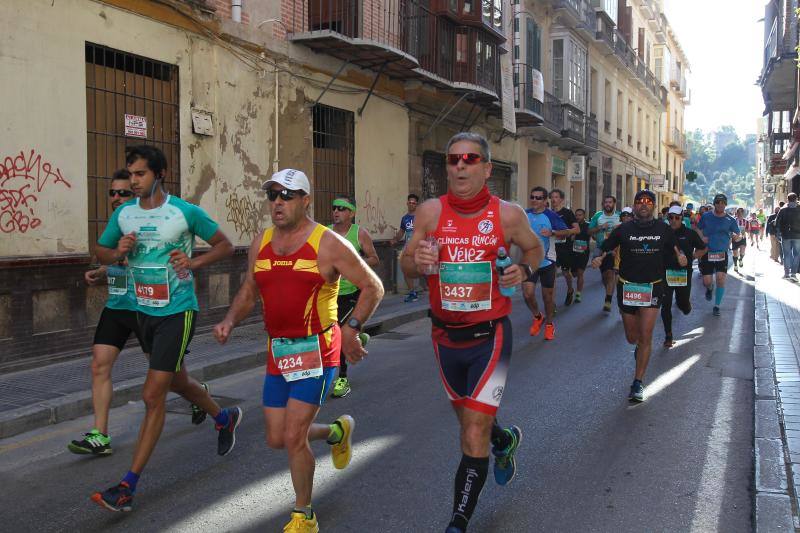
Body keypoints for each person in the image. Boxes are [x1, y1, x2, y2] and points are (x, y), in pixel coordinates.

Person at [213, 169, 384, 532]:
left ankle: (303, 514)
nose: (277, 201)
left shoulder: (328, 243)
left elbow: (373, 287)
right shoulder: (261, 241)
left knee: (293, 435)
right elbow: (249, 289)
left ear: (306, 201)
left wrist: (351, 329)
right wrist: (230, 318)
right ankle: (336, 432)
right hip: (278, 351)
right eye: (272, 194)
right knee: (277, 437)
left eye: (287, 195)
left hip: (317, 351)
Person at [401, 132, 543, 533]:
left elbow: (535, 249)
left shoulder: (508, 215)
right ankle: (504, 441)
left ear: (486, 168)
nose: (460, 165)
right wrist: (418, 260)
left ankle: (458, 521)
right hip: (445, 338)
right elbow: (406, 265)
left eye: (469, 158)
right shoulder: (430, 213)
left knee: (473, 429)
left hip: (490, 336)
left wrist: (525, 270)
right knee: (469, 422)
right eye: (453, 159)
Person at [91, 145, 239, 512]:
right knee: (177, 382)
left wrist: (194, 261)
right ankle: (224, 417)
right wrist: (117, 251)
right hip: (143, 312)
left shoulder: (184, 212)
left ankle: (127, 486)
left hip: (177, 312)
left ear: (160, 175)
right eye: (131, 174)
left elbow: (226, 245)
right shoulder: (124, 214)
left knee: (152, 395)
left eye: (140, 174)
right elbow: (102, 252)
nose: (134, 180)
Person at [70, 169, 208, 455]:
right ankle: (100, 434)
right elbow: (117, 258)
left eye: (125, 192)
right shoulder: (118, 223)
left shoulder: (149, 220)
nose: (118, 197)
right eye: (113, 193)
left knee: (173, 377)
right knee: (99, 363)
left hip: (149, 307)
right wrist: (102, 271)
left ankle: (199, 394)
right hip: (119, 304)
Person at [591, 190, 686, 402]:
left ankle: (638, 382)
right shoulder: (623, 229)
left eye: (648, 202)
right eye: (640, 202)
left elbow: (676, 249)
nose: (644, 205)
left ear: (653, 206)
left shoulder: (664, 229)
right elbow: (604, 247)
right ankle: (639, 349)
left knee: (645, 336)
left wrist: (681, 257)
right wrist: (598, 257)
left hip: (652, 287)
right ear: (634, 206)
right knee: (631, 337)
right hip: (627, 287)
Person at [328, 196, 380, 398]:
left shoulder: (359, 234)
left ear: (351, 213)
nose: (336, 212)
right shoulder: (325, 233)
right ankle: (358, 337)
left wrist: (355, 262)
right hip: (329, 294)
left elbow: (374, 259)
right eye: (334, 208)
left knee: (340, 335)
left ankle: (342, 378)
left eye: (341, 209)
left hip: (352, 294)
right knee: (331, 336)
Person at [524, 187, 570, 340]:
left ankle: (549, 324)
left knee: (547, 298)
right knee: (527, 294)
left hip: (547, 261)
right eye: (533, 197)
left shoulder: (551, 216)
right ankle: (538, 316)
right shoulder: (525, 214)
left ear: (545, 201)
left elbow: (567, 231)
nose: (535, 200)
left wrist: (553, 233)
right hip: (529, 260)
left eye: (538, 198)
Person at [661, 206, 707, 347]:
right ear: (667, 218)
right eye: (671, 218)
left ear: (682, 218)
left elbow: (703, 247)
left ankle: (686, 305)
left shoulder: (689, 233)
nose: (673, 221)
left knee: (683, 305)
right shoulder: (662, 233)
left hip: (683, 274)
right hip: (665, 274)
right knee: (666, 304)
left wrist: (693, 256)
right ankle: (668, 336)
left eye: (677, 218)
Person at [696, 193, 742, 316]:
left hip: (722, 253)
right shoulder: (706, 216)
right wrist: (702, 237)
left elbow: (738, 234)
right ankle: (710, 288)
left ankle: (717, 306)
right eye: (718, 202)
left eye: (722, 203)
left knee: (721, 279)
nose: (720, 205)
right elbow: (698, 228)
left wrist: (736, 237)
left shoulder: (730, 220)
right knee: (707, 281)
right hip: (707, 252)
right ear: (715, 203)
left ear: (725, 204)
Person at [588, 196, 622, 312]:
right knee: (604, 276)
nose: (608, 204)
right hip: (601, 248)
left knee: (610, 273)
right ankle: (609, 290)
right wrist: (600, 227)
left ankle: (608, 299)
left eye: (610, 202)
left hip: (615, 250)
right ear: (603, 204)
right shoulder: (598, 215)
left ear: (614, 203)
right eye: (606, 202)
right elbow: (589, 231)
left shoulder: (620, 215)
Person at [548, 189, 579, 306]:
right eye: (552, 197)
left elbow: (577, 229)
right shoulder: (548, 213)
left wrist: (563, 232)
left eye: (556, 197)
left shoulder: (567, 213)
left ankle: (570, 289)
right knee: (553, 276)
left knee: (566, 273)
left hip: (565, 248)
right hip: (551, 248)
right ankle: (552, 303)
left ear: (561, 199)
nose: (553, 199)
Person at [390, 193, 422, 302]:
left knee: (425, 269)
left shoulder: (421, 217)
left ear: (417, 205)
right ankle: (413, 292)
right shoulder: (405, 218)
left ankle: (431, 289)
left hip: (420, 247)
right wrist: (395, 239)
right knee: (406, 269)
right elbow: (401, 232)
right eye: (410, 202)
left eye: (414, 203)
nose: (412, 205)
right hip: (408, 248)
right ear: (407, 203)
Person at [776, 192, 800, 281]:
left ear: (787, 199)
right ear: (796, 199)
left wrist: (778, 234)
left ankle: (786, 274)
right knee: (797, 254)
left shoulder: (783, 210)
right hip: (798, 235)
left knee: (786, 255)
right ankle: (793, 273)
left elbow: (777, 222)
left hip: (785, 235)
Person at [569, 208, 591, 303]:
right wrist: (571, 237)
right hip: (573, 253)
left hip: (584, 253)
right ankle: (575, 288)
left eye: (580, 215)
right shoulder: (572, 226)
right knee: (574, 274)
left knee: (580, 273)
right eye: (576, 215)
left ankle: (578, 293)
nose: (578, 217)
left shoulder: (588, 225)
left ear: (584, 216)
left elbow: (593, 235)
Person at [731, 207, 747, 272]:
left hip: (743, 238)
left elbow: (749, 230)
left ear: (743, 213)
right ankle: (735, 265)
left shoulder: (746, 221)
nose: (740, 213)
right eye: (739, 212)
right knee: (735, 253)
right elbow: (730, 229)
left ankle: (740, 259)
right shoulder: (733, 221)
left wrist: (744, 231)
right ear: (737, 213)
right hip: (735, 238)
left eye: (741, 212)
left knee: (742, 251)